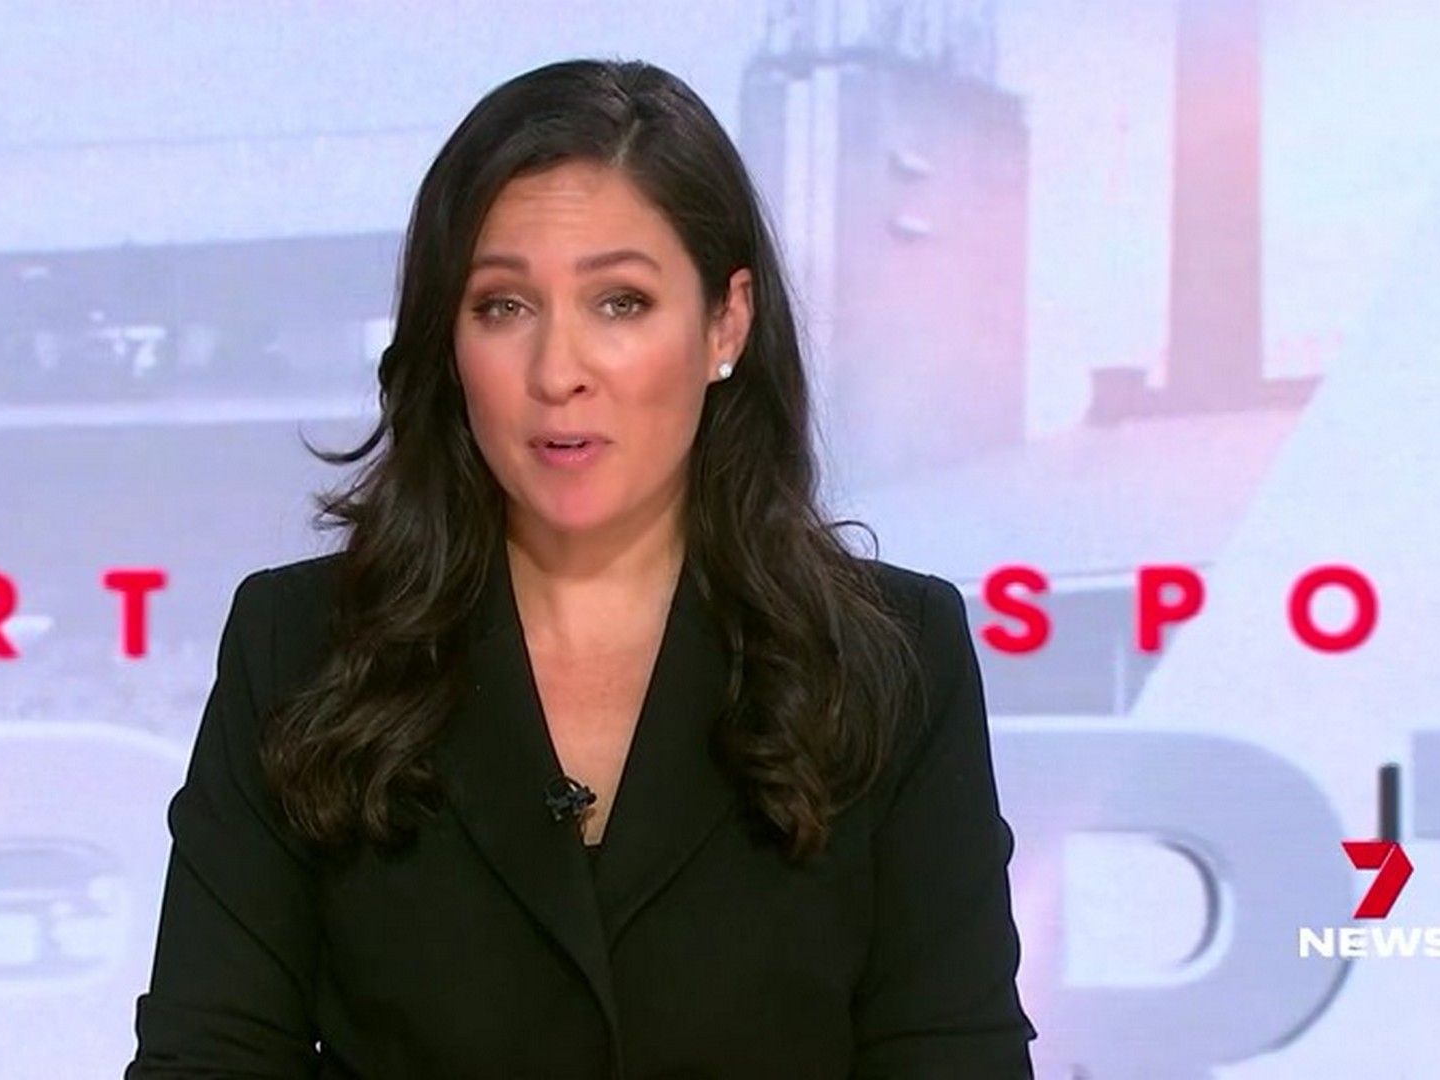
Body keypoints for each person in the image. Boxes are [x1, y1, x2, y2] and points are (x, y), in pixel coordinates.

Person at [127, 57, 1037, 1078]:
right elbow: (210, 1057)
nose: (558, 372)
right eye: (503, 307)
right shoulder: (297, 647)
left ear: (726, 322)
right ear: (447, 338)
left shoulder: (891, 661)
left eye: (621, 302)